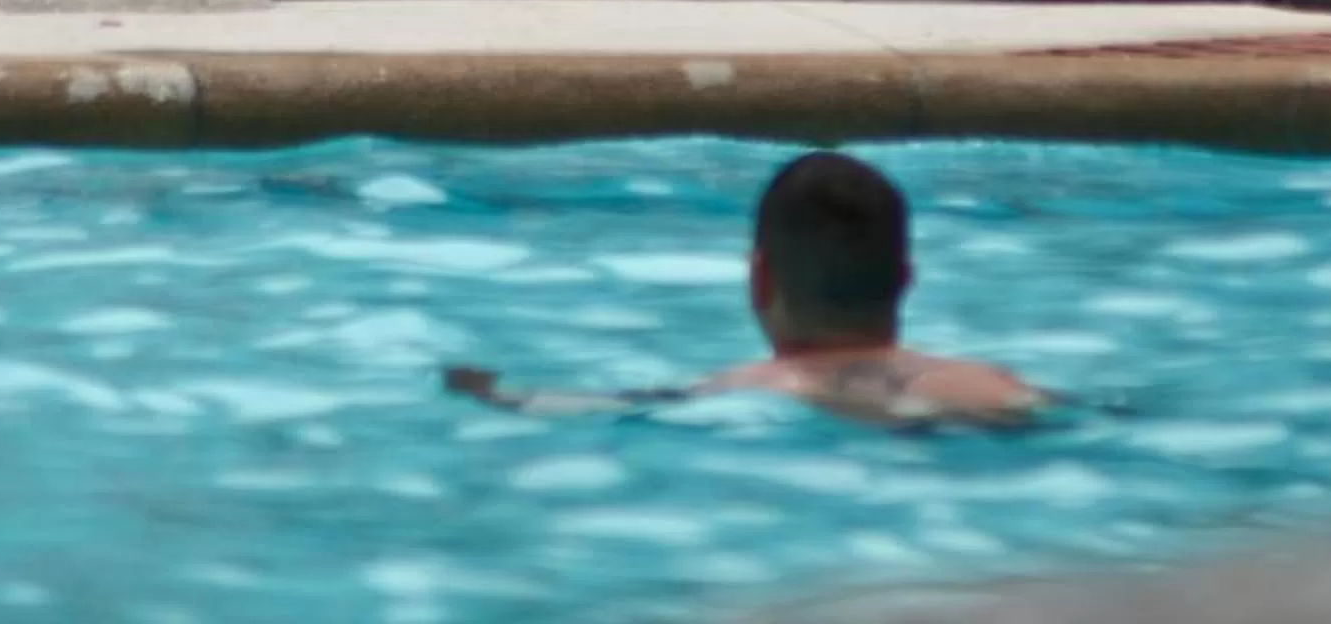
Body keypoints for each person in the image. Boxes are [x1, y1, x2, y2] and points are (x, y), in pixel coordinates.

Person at [443, 149, 1050, 429]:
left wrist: (489, 394)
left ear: (760, 279)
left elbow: (587, 406)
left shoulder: (733, 393)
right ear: (906, 279)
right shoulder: (995, 388)